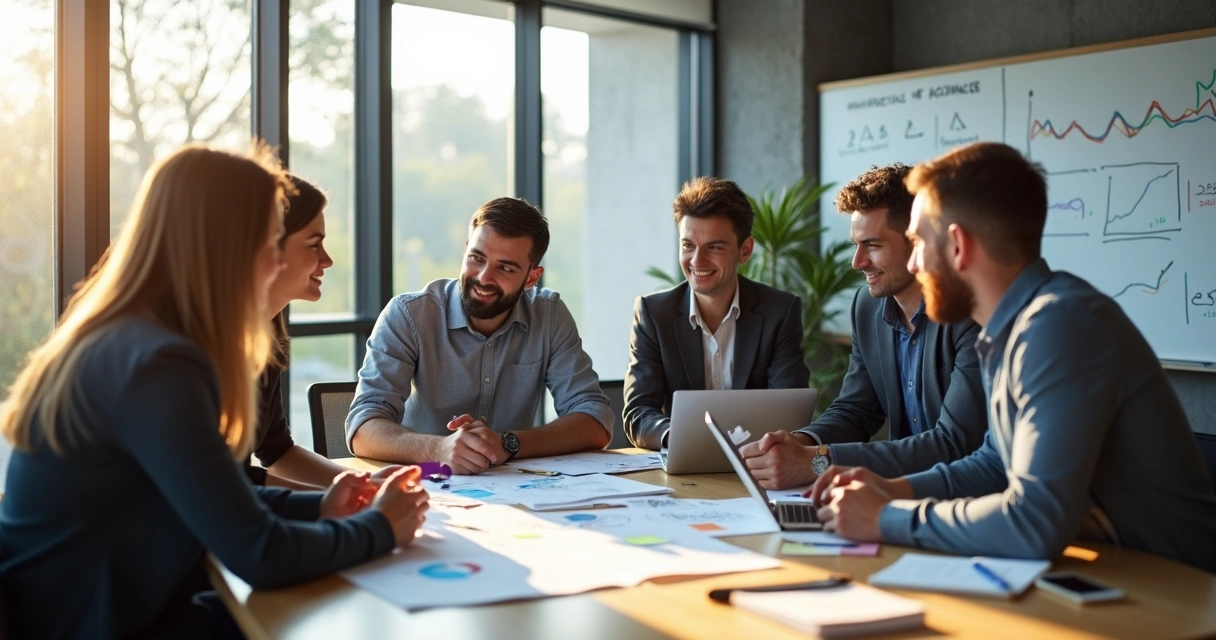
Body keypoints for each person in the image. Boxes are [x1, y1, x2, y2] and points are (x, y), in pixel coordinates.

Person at [0, 144, 430, 639]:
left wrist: (323, 505)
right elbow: (259, 554)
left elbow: (214, 498)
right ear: (226, 249)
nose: (276, 264)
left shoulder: (131, 340)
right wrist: (381, 529)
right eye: (272, 245)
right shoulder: (156, 365)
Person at [813, 142, 1216, 573]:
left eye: (918, 242)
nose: (913, 264)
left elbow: (1033, 523)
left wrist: (884, 517)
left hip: (1180, 588)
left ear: (957, 246)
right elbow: (994, 464)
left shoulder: (1060, 325)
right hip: (1117, 570)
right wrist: (892, 489)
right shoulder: (1013, 328)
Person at [740, 164, 987, 489]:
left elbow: (955, 444)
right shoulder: (868, 307)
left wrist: (818, 461)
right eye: (856, 244)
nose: (857, 262)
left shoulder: (970, 313)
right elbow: (857, 410)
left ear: (915, 239)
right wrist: (801, 442)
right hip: (895, 495)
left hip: (961, 501)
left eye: (872, 245)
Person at [346, 197, 613, 475]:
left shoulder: (549, 316)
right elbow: (363, 427)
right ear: (465, 252)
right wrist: (439, 450)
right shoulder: (409, 315)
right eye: (477, 258)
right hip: (426, 485)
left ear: (532, 278)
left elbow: (596, 420)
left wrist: (509, 443)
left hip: (517, 491)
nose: (484, 278)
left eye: (506, 268)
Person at [623, 176, 810, 451]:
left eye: (714, 247)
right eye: (688, 246)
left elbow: (788, 412)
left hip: (756, 461)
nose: (697, 261)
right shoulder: (653, 314)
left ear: (744, 250)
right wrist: (679, 437)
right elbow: (638, 413)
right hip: (682, 464)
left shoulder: (779, 312)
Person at [248, 174, 401, 490]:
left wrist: (364, 484)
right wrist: (339, 500)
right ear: (268, 246)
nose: (327, 260)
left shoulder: (267, 337)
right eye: (314, 244)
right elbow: (224, 484)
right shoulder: (190, 350)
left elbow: (276, 449)